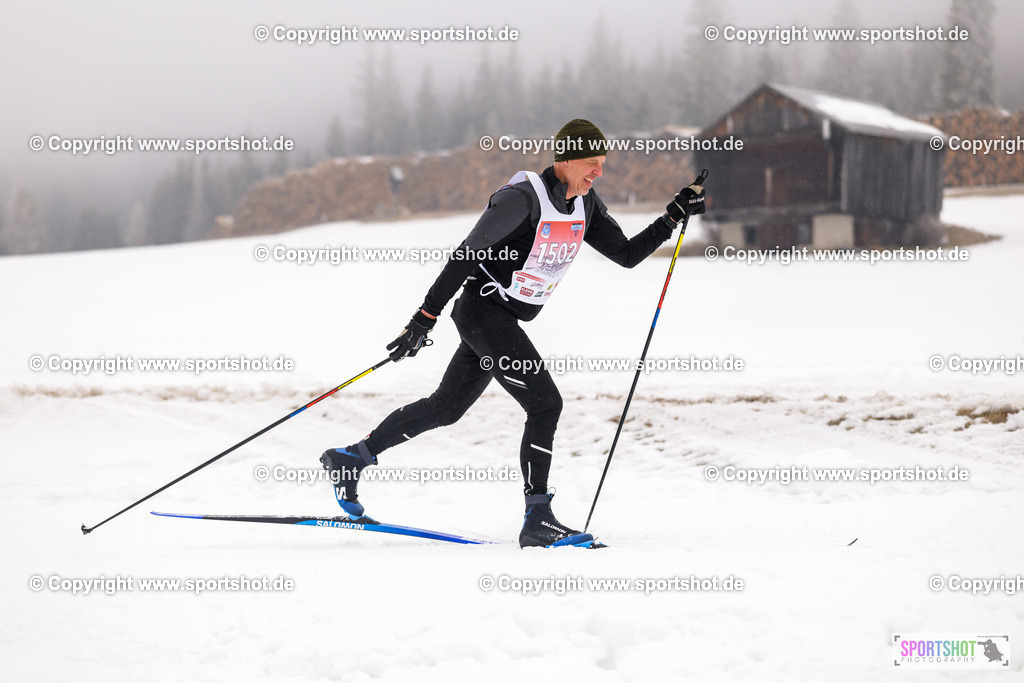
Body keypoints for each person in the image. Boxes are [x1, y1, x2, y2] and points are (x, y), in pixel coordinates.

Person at [321, 119, 706, 548]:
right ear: (565, 160)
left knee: (445, 408)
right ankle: (537, 517)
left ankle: (350, 458)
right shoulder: (521, 199)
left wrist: (672, 216)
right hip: (483, 313)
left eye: (602, 165)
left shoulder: (586, 203)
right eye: (591, 164)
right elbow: (465, 255)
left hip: (500, 320)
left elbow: (627, 255)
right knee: (545, 404)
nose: (599, 173)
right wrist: (423, 318)